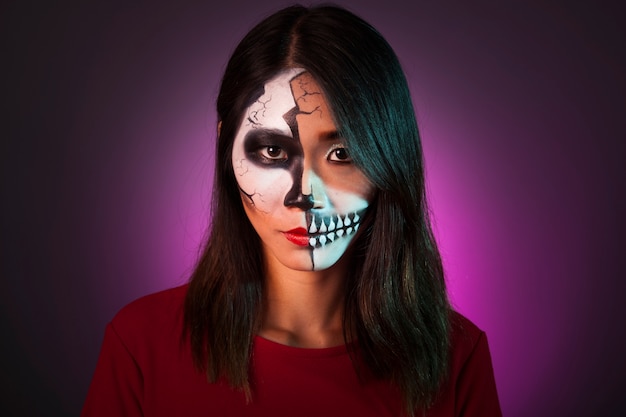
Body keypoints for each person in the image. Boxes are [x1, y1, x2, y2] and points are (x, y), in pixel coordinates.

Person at [81, 4, 502, 416]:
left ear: (389, 157)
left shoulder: (455, 359)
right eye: (271, 149)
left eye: (342, 153)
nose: (306, 194)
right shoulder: (140, 346)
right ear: (226, 145)